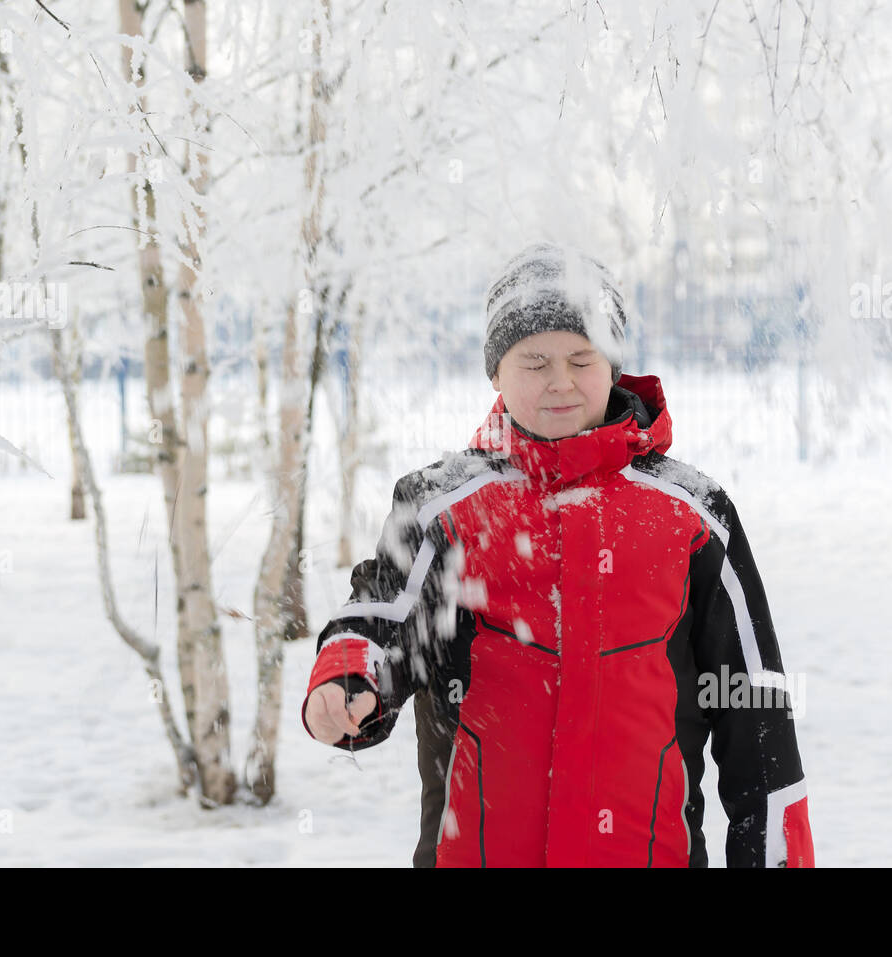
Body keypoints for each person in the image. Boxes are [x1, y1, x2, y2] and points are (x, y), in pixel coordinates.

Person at [302, 241, 814, 868]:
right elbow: (384, 619)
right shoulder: (442, 507)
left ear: (613, 364)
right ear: (496, 373)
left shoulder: (692, 513)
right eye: (534, 361)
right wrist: (352, 678)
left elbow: (751, 702)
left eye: (581, 358)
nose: (561, 382)